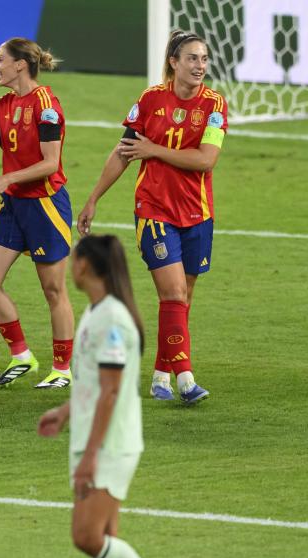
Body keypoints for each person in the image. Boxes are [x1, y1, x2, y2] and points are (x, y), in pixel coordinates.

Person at [77, 29, 223, 405]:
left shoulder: (215, 105)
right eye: (192, 58)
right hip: (154, 210)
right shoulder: (150, 100)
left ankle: (161, 373)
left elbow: (206, 160)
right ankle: (187, 380)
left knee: (181, 298)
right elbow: (125, 151)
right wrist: (94, 197)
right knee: (173, 292)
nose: (200, 66)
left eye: (204, 59)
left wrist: (153, 149)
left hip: (197, 213)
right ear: (174, 62)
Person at [37, 235, 154, 558]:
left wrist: (91, 455)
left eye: (74, 261)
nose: (71, 268)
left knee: (87, 537)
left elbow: (111, 392)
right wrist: (64, 412)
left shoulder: (113, 320)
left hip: (109, 444)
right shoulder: (95, 312)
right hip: (96, 438)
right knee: (105, 536)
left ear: (85, 265)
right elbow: (92, 382)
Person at [0, 38, 75, 389]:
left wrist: (7, 177)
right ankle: (22, 354)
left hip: (44, 204)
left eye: (0, 59)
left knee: (53, 290)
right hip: (14, 205)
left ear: (20, 65)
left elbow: (50, 163)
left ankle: (62, 369)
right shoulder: (7, 103)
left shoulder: (46, 106)